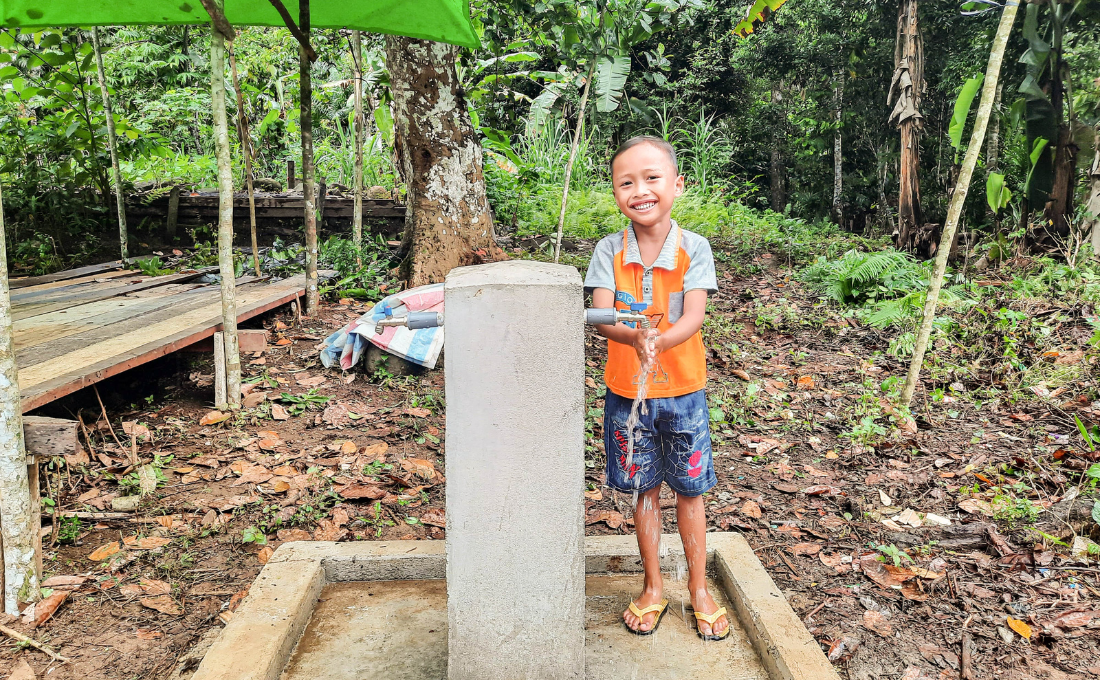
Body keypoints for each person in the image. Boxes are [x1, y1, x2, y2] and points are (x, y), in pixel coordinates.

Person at [584, 135, 727, 640]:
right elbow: (602, 317)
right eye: (627, 182)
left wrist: (657, 341)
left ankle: (699, 588)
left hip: (684, 391)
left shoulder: (694, 248)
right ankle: (653, 587)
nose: (640, 190)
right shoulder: (608, 250)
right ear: (616, 192)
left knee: (691, 491)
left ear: (677, 186)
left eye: (652, 178)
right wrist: (634, 336)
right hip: (627, 394)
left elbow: (693, 316)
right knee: (644, 490)